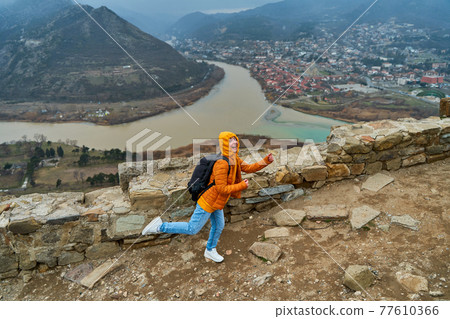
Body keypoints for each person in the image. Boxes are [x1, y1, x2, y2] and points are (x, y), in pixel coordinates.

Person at [141, 131, 274, 262]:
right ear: (224, 144)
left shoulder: (234, 159)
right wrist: (241, 186)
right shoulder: (222, 163)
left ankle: (210, 250)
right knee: (192, 228)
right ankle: (160, 226)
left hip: (218, 202)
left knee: (219, 226)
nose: (234, 142)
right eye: (230, 140)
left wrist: (266, 161)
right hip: (208, 202)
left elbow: (250, 168)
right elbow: (221, 188)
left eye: (235, 139)